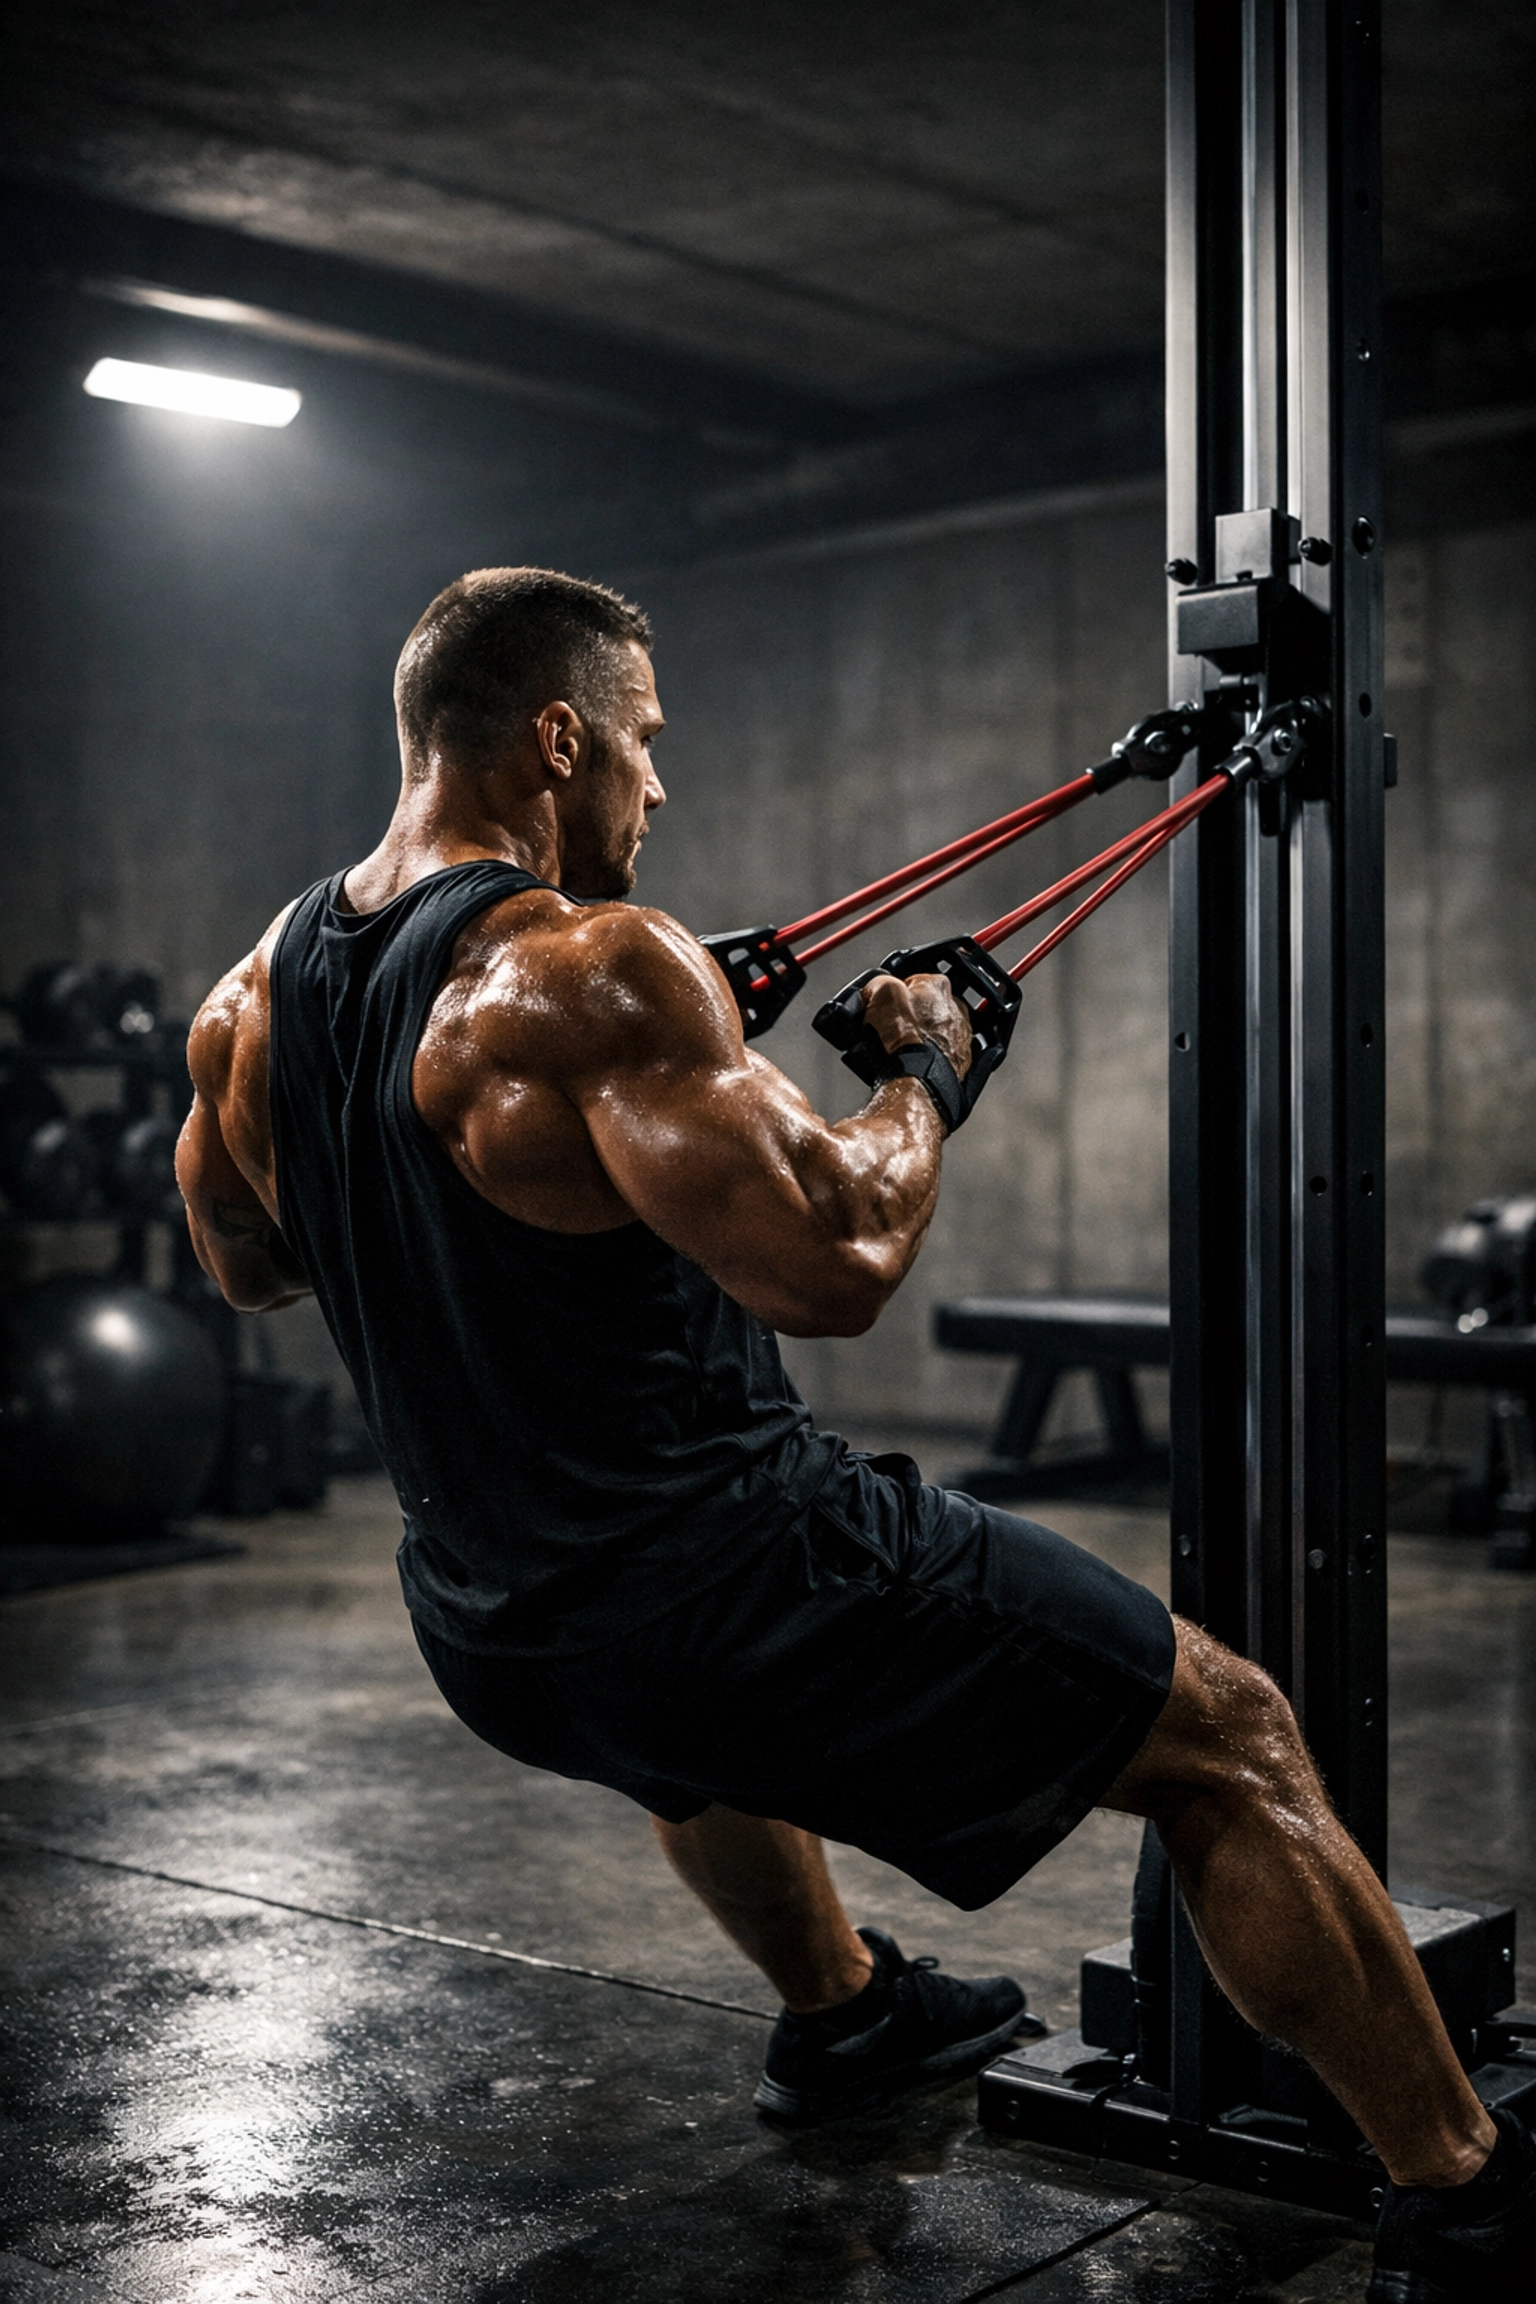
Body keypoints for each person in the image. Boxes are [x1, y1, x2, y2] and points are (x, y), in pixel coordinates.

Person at [177, 568, 1532, 2300]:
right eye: (646, 749)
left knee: (678, 1722)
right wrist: (924, 1070)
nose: (659, 791)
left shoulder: (253, 1002)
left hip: (496, 1627)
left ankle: (851, 2016)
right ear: (558, 736)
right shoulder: (591, 971)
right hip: (736, 1583)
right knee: (1230, 1739)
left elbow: (253, 1266)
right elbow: (838, 1260)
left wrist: (586, 1134)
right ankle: (1467, 2187)